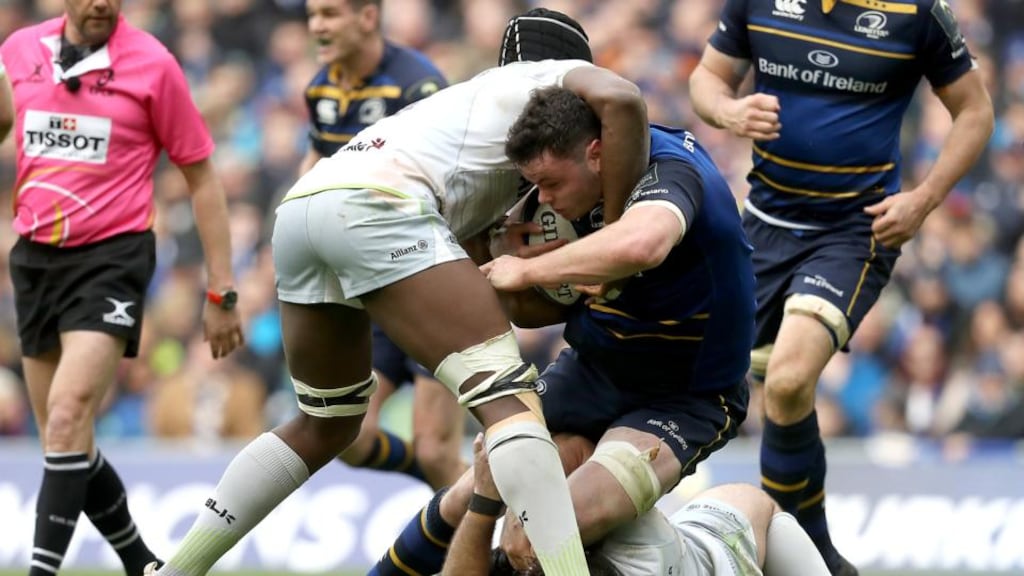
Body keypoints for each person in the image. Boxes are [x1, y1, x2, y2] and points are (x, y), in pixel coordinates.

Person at [147, 37, 649, 576]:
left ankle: (175, 571)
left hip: (303, 210)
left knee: (327, 424)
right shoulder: (551, 76)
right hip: (378, 206)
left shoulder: (472, 123)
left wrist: (526, 259)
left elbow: (481, 272)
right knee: (510, 405)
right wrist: (612, 244)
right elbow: (624, 99)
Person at [371, 81, 756, 576]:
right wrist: (510, 265)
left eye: (551, 184)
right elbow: (533, 311)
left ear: (596, 153)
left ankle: (717, 555)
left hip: (685, 395)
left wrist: (528, 270)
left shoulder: (671, 166)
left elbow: (644, 244)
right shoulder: (558, 204)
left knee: (537, 536)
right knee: (471, 491)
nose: (544, 198)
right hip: (591, 370)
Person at [688, 2, 995, 574]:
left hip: (857, 229)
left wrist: (923, 200)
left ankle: (809, 551)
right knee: (726, 383)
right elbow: (706, 77)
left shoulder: (919, 11)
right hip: (764, 225)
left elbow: (975, 112)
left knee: (787, 380)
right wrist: (729, 112)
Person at [0, 1, 244, 575]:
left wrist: (221, 291)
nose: (102, 3)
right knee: (66, 443)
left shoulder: (154, 65)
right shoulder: (18, 52)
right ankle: (143, 564)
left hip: (112, 259)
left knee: (66, 417)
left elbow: (202, 176)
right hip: (35, 259)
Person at [301, 0, 462, 490]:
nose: (317, 26)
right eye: (312, 15)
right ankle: (460, 487)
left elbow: (452, 184)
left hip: (429, 286)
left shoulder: (419, 87)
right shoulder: (320, 88)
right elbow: (316, 161)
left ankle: (479, 533)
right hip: (373, 294)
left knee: (436, 446)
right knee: (347, 436)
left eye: (329, 14)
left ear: (367, 17)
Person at [441, 432, 831, 576]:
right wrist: (484, 501)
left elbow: (574, 446)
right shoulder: (536, 549)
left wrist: (500, 507)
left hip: (742, 533)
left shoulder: (614, 528)